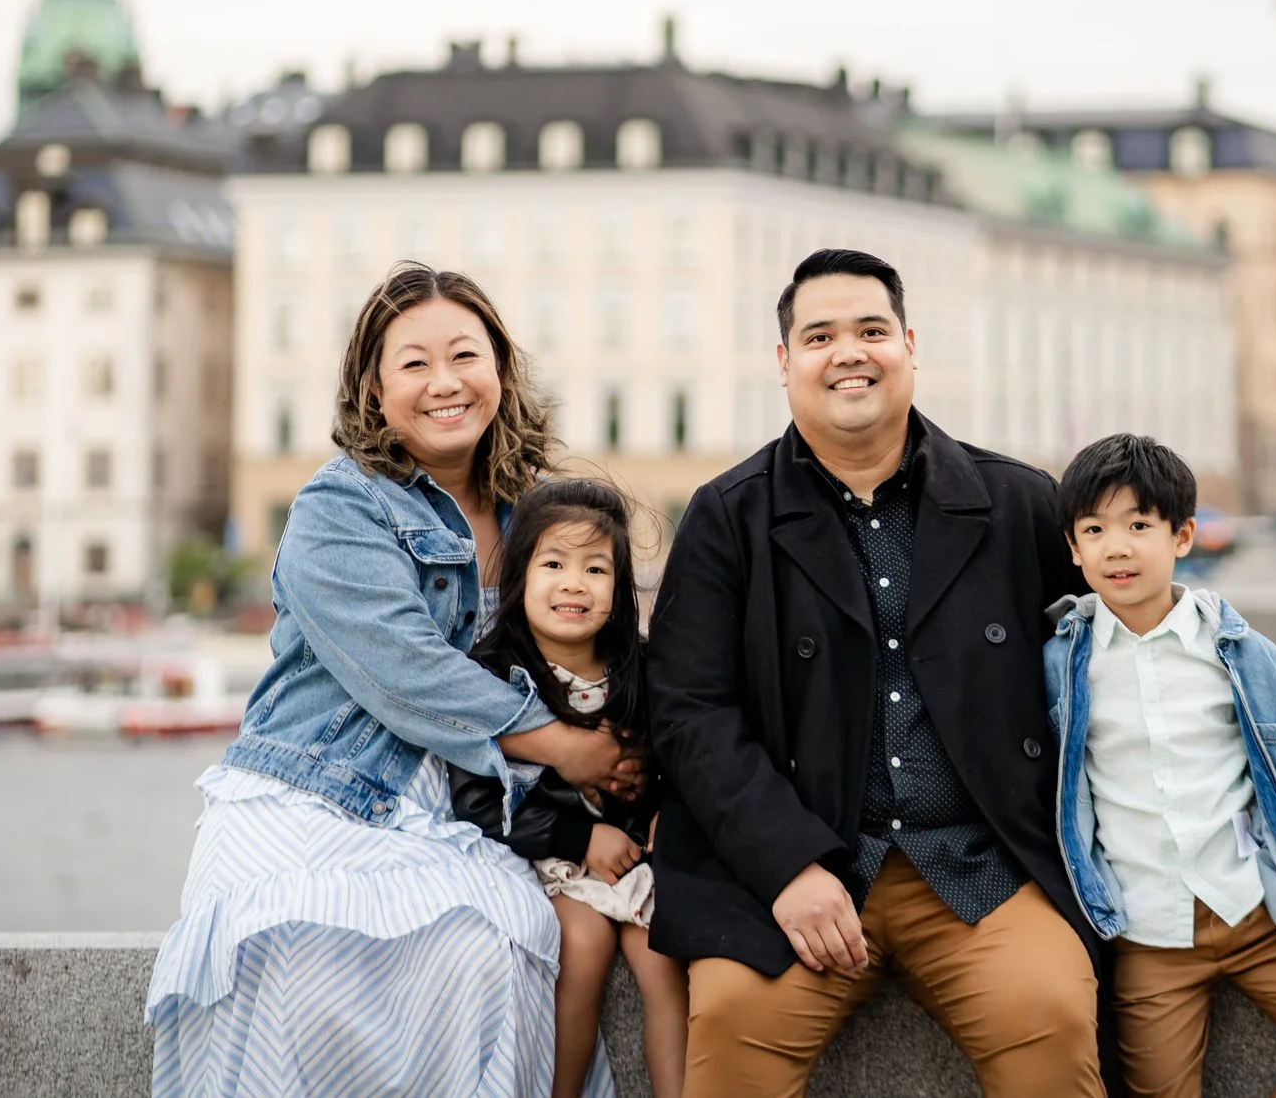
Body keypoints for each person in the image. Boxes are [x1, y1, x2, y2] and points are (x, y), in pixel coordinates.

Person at [146, 263, 636, 1098]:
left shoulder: (536, 515)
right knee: (292, 952)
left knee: (494, 946)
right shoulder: (336, 509)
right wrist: (565, 746)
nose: (445, 382)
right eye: (413, 363)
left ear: (501, 372)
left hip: (462, 810)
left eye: (465, 356)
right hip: (315, 788)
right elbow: (406, 670)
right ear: (373, 390)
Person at [647, 248, 1103, 1098]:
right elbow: (689, 713)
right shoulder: (725, 516)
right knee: (734, 1029)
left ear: (910, 345)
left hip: (984, 864)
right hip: (794, 867)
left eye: (871, 330)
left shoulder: (1018, 504)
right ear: (784, 362)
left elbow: (1115, 668)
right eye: (819, 335)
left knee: (1053, 1014)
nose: (849, 352)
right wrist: (786, 865)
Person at [1044, 433, 1276, 1098]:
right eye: (1094, 529)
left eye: (1138, 525)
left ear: (1182, 536)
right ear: (1073, 548)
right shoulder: (1060, 666)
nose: (1116, 546)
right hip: (1148, 934)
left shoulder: (1242, 653)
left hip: (1258, 913)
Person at [451, 478, 690, 1098]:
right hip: (546, 852)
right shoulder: (495, 674)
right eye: (553, 563)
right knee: (580, 945)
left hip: (635, 856)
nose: (573, 584)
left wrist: (660, 803)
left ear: (620, 584)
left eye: (595, 568)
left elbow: (679, 756)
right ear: (520, 576)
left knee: (665, 956)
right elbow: (478, 801)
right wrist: (583, 836)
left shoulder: (640, 667)